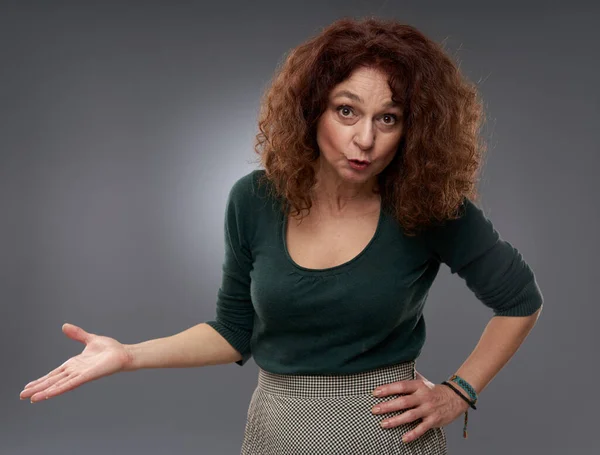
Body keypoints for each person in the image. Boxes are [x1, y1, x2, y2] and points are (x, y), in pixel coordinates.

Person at [19, 17, 543, 454]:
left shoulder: (428, 207)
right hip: (276, 427)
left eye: (389, 118)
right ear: (312, 109)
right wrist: (129, 354)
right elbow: (233, 331)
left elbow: (519, 299)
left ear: (414, 129)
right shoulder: (253, 200)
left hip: (382, 435)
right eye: (347, 111)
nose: (366, 139)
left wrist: (458, 392)